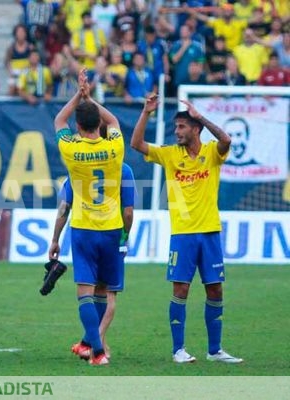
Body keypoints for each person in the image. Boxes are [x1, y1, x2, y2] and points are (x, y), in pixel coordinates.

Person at [130, 93, 243, 364]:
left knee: (215, 290)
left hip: (210, 232)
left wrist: (201, 115)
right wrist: (146, 112)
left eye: (182, 126)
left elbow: (227, 140)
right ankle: (178, 350)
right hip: (182, 234)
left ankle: (214, 350)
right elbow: (136, 144)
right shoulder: (170, 155)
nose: (177, 131)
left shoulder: (211, 153)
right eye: (176, 127)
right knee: (180, 290)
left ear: (196, 129)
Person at [52, 69, 125, 366]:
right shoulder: (114, 146)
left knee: (84, 292)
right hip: (111, 227)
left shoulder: (71, 149)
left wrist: (77, 95)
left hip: (83, 227)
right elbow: (115, 121)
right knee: (102, 291)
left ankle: (96, 352)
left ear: (79, 126)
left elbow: (59, 120)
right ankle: (97, 350)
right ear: (97, 124)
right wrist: (90, 98)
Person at [50, 149, 135, 359]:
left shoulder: (78, 167)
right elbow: (128, 211)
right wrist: (124, 235)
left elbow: (64, 207)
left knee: (88, 291)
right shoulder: (123, 169)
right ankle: (97, 344)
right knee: (108, 292)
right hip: (113, 234)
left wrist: (55, 239)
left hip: (85, 233)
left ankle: (93, 344)